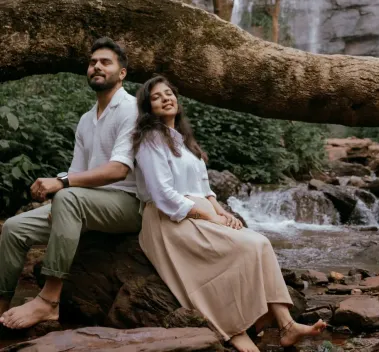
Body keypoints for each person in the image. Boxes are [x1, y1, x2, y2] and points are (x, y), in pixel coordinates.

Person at [133, 75, 326, 352]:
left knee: (260, 243)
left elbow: (205, 188)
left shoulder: (184, 141)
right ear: (148, 108)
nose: (166, 98)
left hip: (200, 211)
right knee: (246, 249)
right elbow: (164, 196)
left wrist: (223, 212)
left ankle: (286, 325)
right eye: (156, 97)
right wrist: (208, 216)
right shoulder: (151, 139)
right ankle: (237, 332)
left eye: (169, 93)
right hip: (170, 220)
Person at [0, 38, 141, 329]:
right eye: (92, 62)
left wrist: (61, 184)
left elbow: (119, 169)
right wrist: (57, 202)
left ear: (122, 73)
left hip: (128, 204)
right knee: (14, 228)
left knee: (68, 198)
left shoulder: (131, 109)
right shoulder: (87, 119)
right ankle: (1, 305)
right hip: (87, 204)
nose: (97, 67)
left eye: (105, 62)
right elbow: (76, 174)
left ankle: (49, 301)